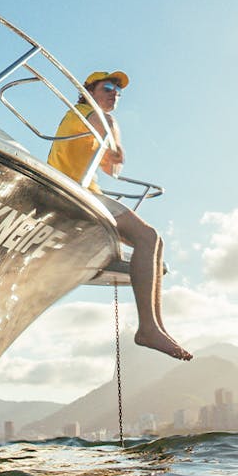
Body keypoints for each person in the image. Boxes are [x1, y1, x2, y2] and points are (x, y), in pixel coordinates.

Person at [48, 70, 192, 361]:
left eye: (118, 90)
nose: (115, 93)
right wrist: (115, 141)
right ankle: (148, 329)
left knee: (155, 243)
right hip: (77, 194)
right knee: (148, 237)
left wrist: (112, 151)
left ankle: (157, 326)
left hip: (80, 190)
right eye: (109, 87)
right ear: (89, 89)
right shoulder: (94, 115)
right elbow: (115, 162)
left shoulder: (80, 118)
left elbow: (109, 168)